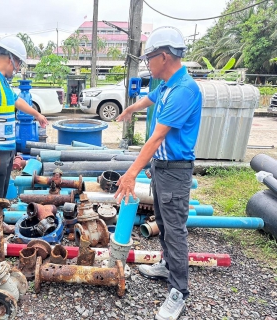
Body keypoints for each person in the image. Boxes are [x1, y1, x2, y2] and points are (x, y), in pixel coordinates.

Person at [114, 26, 202, 320]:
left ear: (164, 57)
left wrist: (130, 174)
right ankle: (167, 265)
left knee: (175, 231)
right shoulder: (167, 84)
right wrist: (130, 110)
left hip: (175, 171)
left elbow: (157, 138)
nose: (147, 64)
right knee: (163, 222)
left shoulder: (184, 90)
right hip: (162, 169)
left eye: (149, 58)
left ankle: (179, 291)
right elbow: (149, 100)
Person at [0, 36, 48, 237]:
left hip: (4, 147)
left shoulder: (2, 81)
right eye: (19, 62)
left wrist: (37, 114)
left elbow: (16, 101)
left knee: (2, 190)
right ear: (10, 58)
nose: (18, 68)